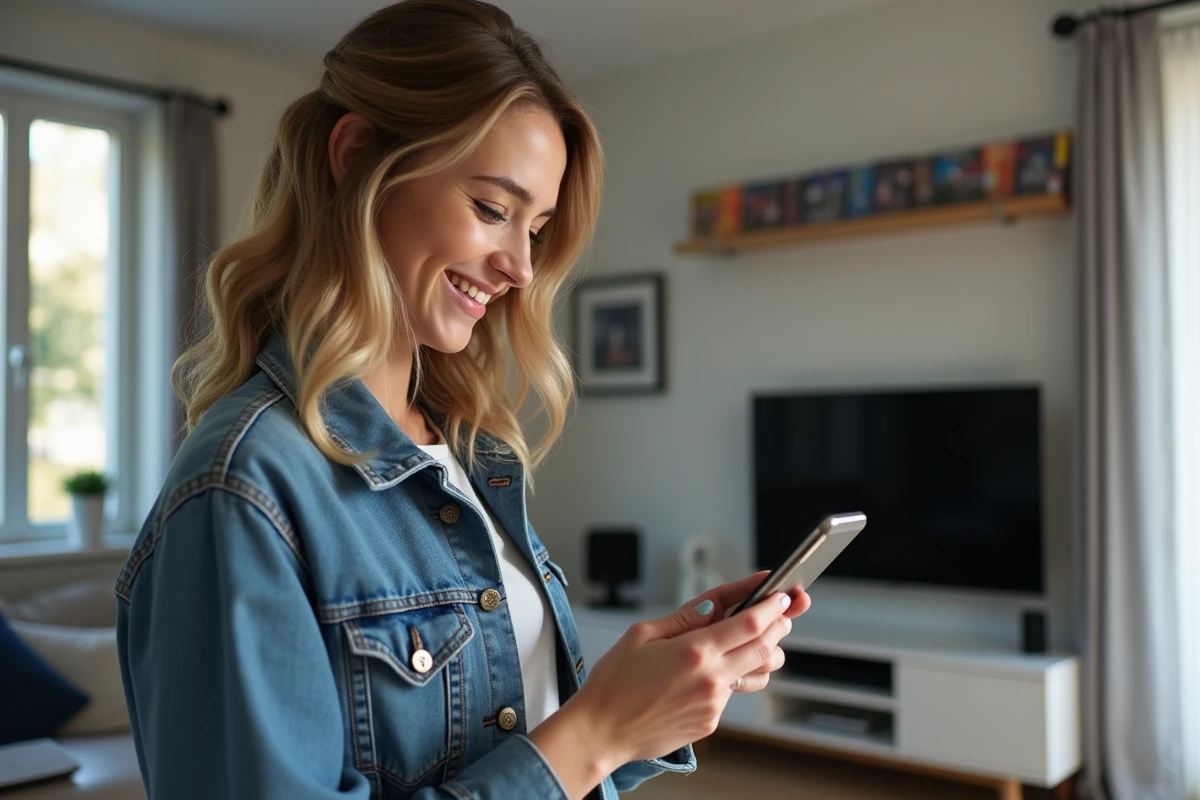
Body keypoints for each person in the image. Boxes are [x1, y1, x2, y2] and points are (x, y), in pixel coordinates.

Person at [114, 1, 810, 798]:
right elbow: (562, 755)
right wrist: (599, 731)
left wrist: (643, 704)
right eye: (491, 209)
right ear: (356, 155)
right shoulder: (243, 491)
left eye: (537, 229)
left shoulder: (468, 456)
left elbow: (528, 754)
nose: (520, 266)